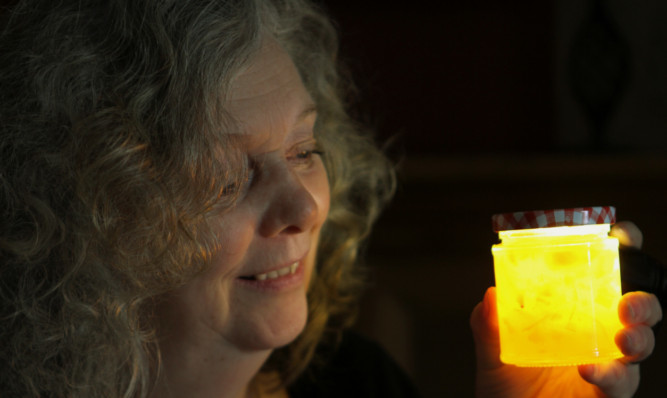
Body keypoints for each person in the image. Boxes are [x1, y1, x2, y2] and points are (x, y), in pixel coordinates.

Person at [0, 1, 660, 397]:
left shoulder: (352, 384)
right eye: (228, 175)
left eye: (303, 149)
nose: (302, 206)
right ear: (96, 205)